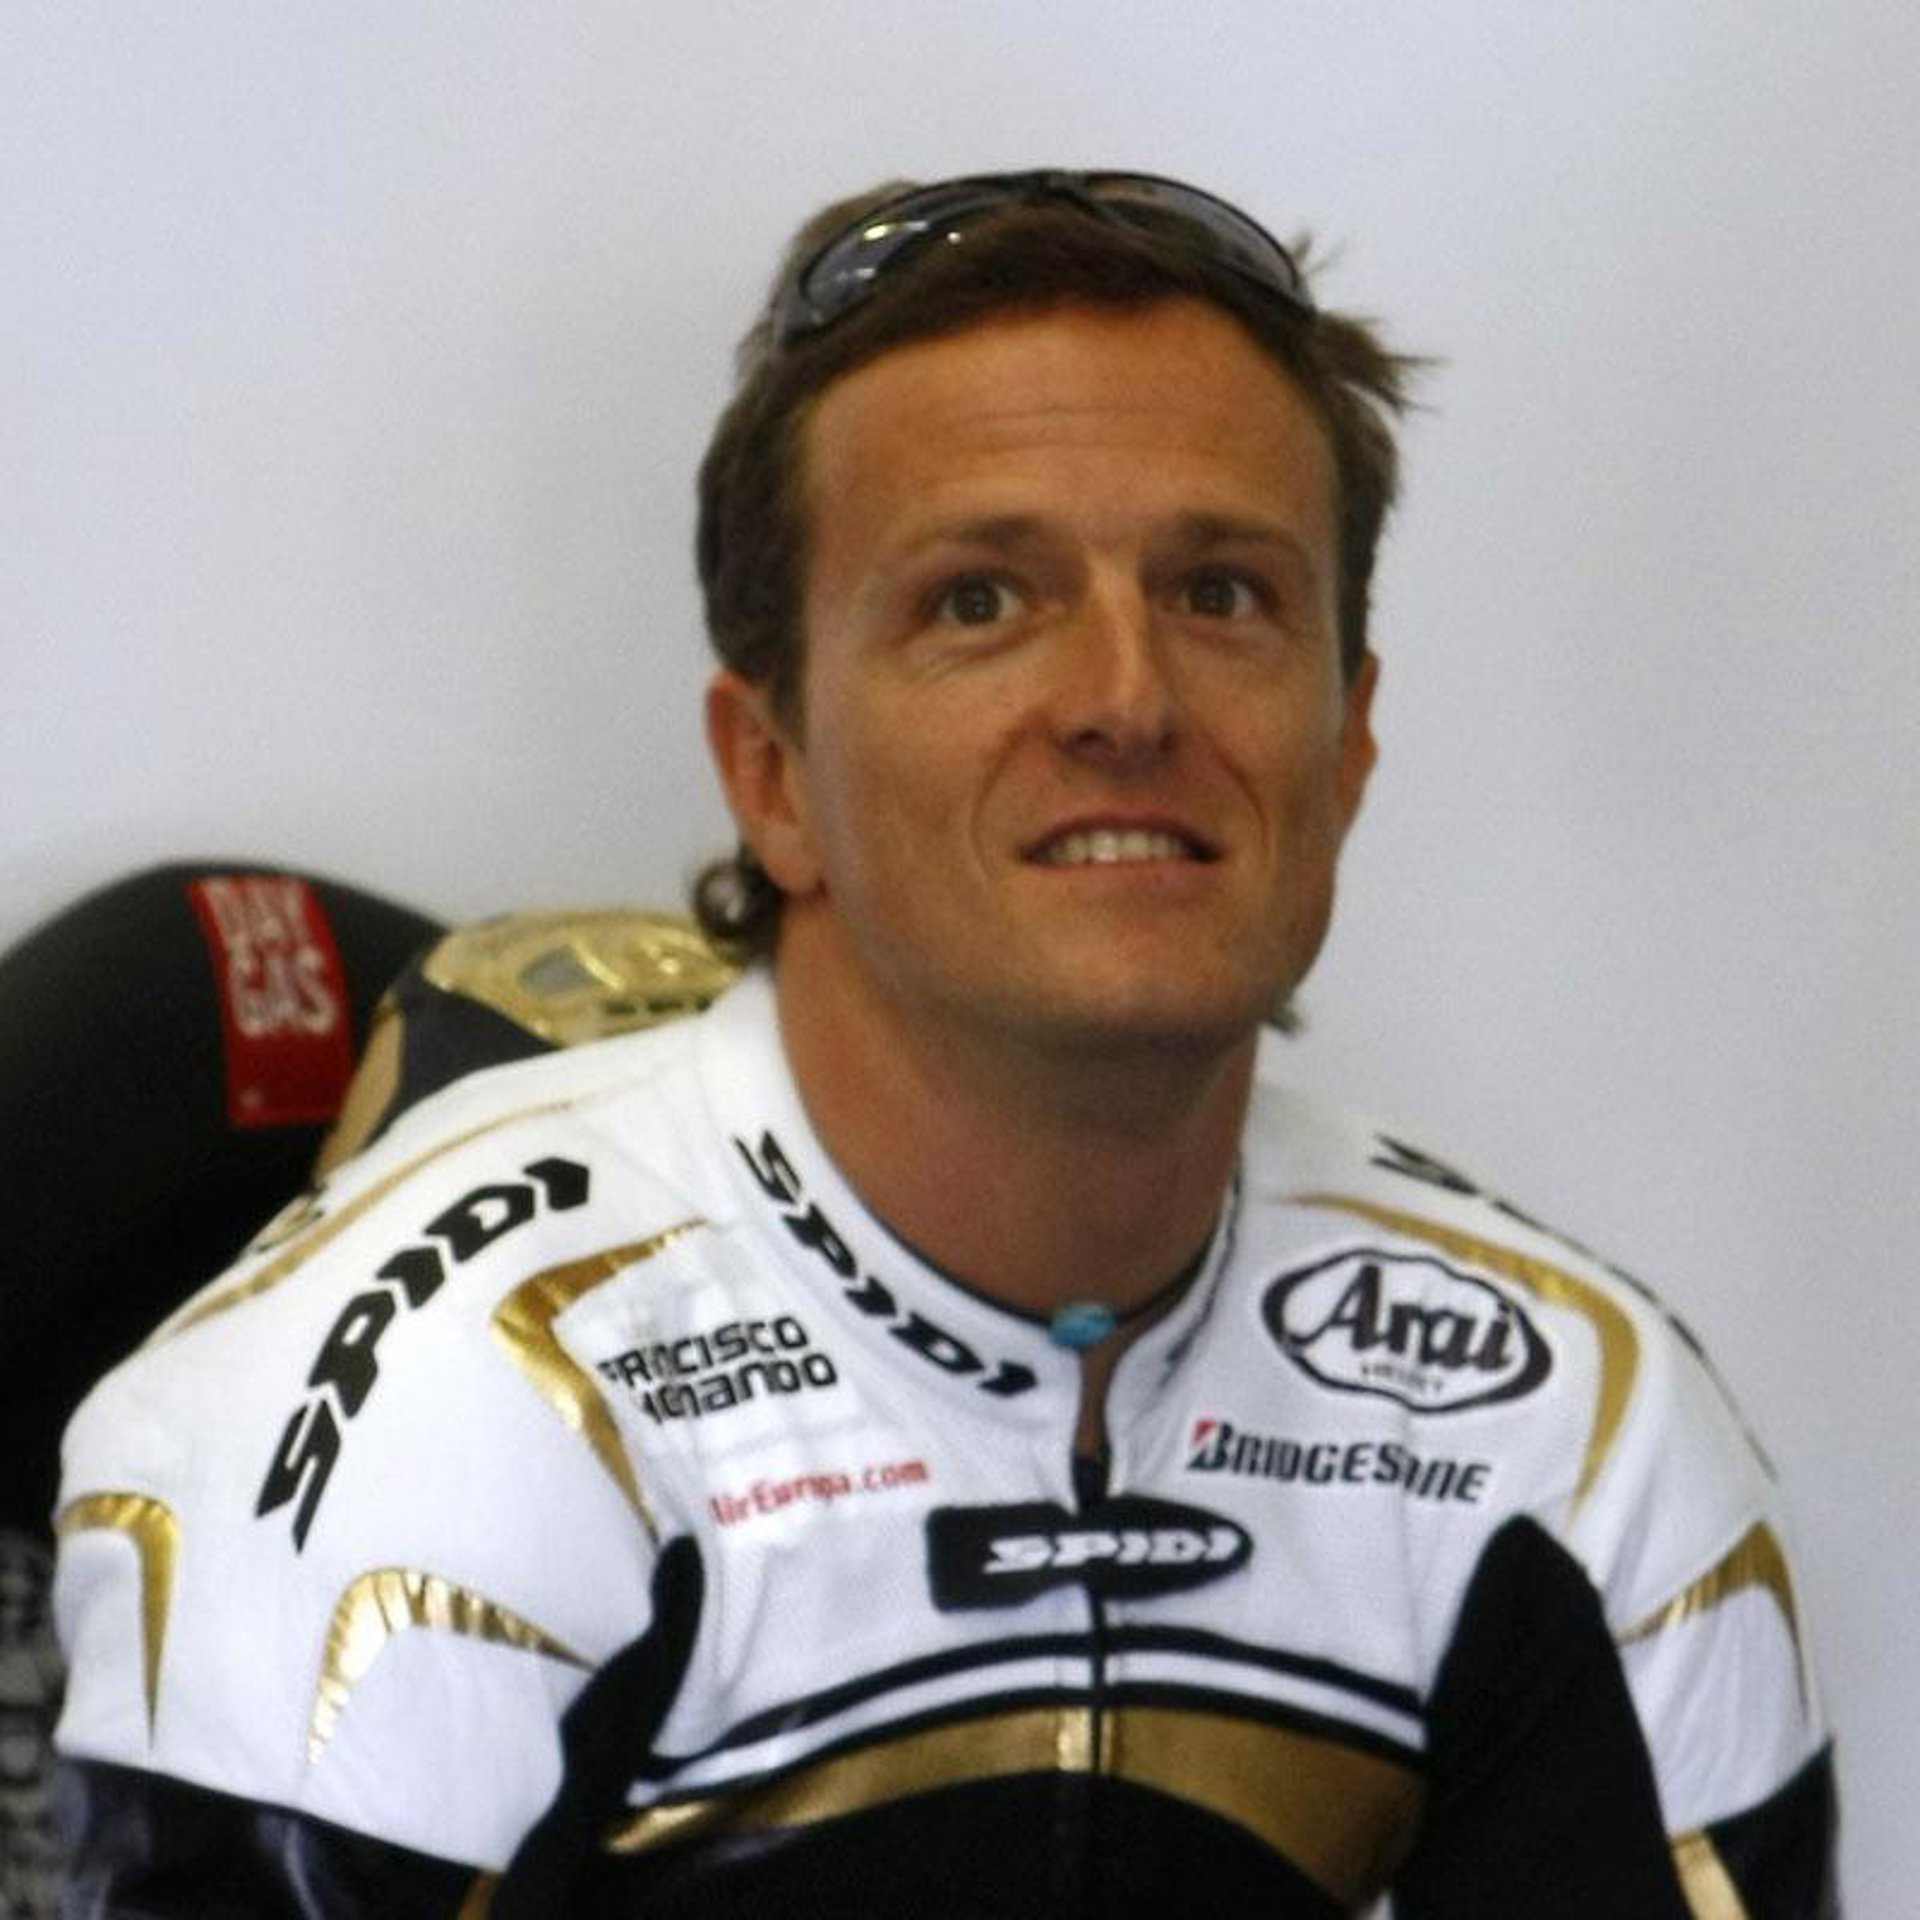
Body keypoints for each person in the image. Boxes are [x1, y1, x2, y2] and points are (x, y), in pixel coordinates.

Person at [49, 170, 1837, 1916]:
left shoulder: (1579, 1427)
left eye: (1222, 593)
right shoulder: (432, 1423)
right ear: (772, 776)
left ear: (1347, 746)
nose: (1128, 699)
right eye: (980, 599)